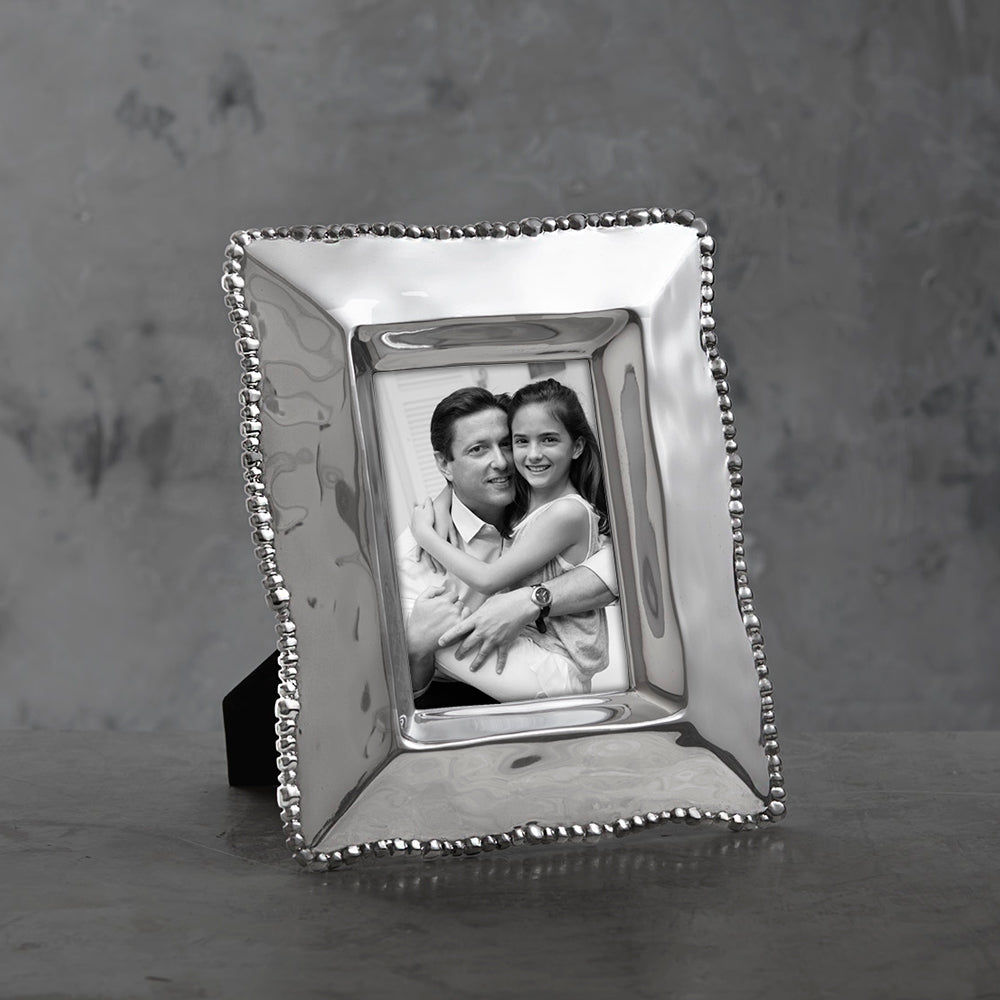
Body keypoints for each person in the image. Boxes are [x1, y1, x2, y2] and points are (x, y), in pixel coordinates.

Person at [396, 385, 617, 702]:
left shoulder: (539, 502)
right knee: (440, 632)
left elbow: (620, 565)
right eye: (478, 450)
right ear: (445, 464)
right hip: (463, 702)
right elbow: (402, 691)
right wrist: (415, 649)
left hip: (558, 677)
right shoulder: (412, 558)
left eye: (505, 444)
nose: (501, 462)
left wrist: (531, 601)